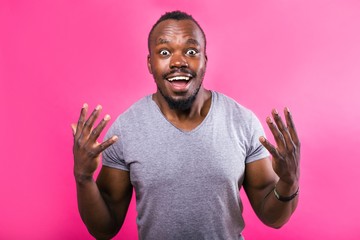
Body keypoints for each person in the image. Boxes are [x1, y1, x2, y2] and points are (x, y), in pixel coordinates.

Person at [71, 11, 300, 240]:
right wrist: (83, 177)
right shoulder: (126, 129)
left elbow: (273, 217)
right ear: (150, 64)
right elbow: (104, 228)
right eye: (164, 52)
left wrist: (289, 182)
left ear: (204, 61)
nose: (178, 62)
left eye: (191, 52)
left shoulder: (242, 122)